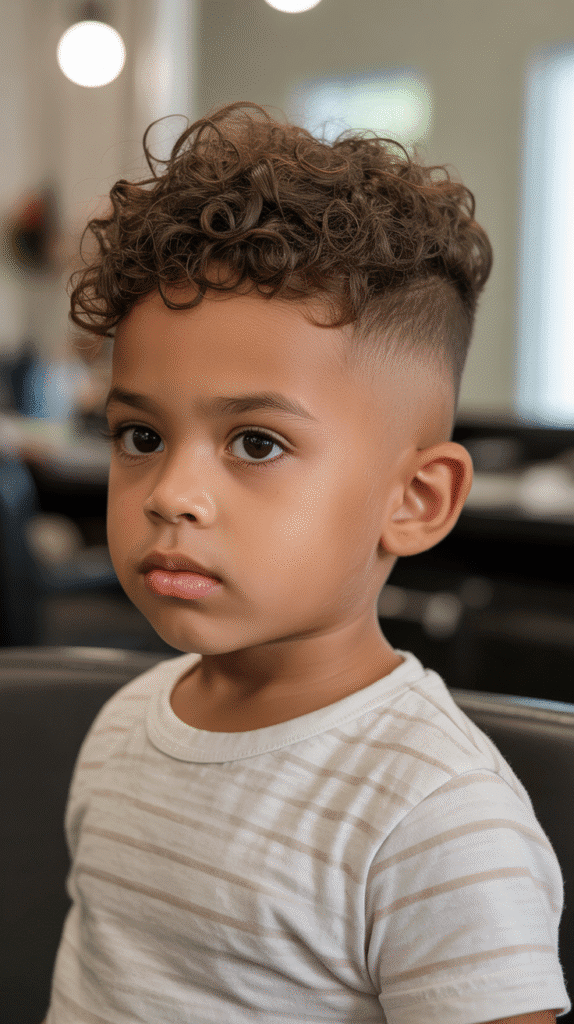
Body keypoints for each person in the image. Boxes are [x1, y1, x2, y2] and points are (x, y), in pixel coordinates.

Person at [43, 102, 569, 1024]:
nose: (172, 493)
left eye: (254, 443)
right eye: (140, 434)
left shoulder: (436, 813)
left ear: (417, 501)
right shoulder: (126, 725)